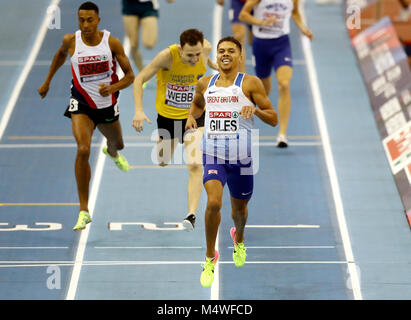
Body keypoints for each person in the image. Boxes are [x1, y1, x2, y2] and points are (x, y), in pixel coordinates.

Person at [185, 36, 278, 287]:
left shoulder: (250, 84)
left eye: (230, 51)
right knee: (213, 202)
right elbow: (196, 106)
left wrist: (255, 110)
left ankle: (239, 238)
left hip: (242, 158)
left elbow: (274, 118)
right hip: (213, 153)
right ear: (216, 56)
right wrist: (190, 119)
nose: (225, 54)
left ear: (240, 56)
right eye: (221, 51)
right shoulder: (205, 83)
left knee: (239, 212)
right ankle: (208, 257)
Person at [38, 1, 135, 231]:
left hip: (107, 105)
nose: (85, 24)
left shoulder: (111, 42)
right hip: (81, 104)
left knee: (118, 144)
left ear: (98, 20)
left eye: (89, 20)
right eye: (81, 20)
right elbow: (60, 56)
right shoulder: (71, 41)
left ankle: (111, 152)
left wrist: (111, 89)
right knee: (82, 149)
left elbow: (130, 76)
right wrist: (47, 81)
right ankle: (84, 210)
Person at [132, 29, 218, 231]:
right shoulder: (166, 57)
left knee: (196, 165)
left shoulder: (204, 48)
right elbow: (139, 79)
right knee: (162, 161)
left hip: (195, 117)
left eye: (198, 55)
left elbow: (206, 53)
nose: (195, 59)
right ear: (180, 49)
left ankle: (191, 215)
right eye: (190, 55)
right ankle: (164, 147)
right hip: (168, 119)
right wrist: (138, 110)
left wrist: (211, 63)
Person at [239, 0, 313, 147]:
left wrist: (303, 28)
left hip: (281, 44)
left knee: (284, 84)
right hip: (261, 45)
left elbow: (295, 12)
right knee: (264, 91)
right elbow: (243, 15)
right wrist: (261, 22)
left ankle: (282, 134)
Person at [122, 0, 176, 72]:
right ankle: (142, 72)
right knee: (133, 45)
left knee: (149, 44)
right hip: (129, 6)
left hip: (148, 6)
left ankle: (155, 68)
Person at [216, 0, 253, 72]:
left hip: (256, 3)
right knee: (239, 38)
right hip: (238, 3)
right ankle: (242, 75)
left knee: (253, 41)